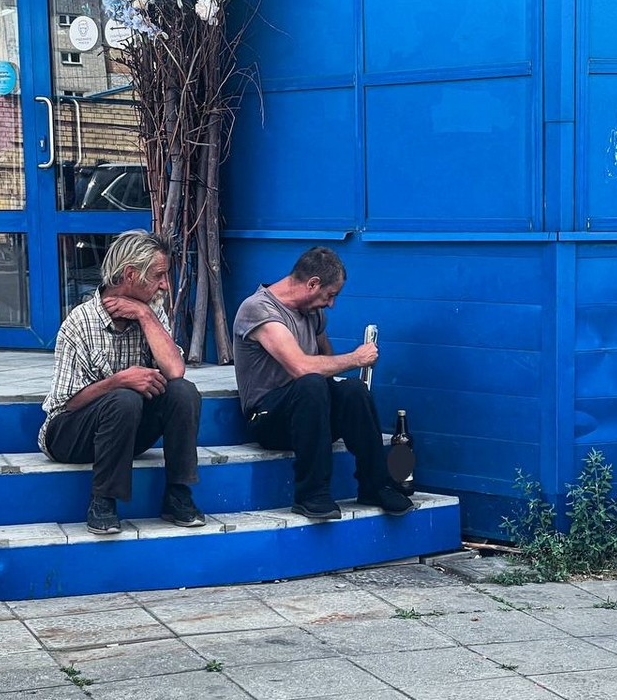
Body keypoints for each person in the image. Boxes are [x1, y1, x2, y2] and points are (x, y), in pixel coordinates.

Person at [39, 229, 205, 535]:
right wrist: (118, 381)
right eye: (159, 275)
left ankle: (178, 494)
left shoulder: (152, 312)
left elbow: (175, 371)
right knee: (125, 397)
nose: (165, 285)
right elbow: (66, 404)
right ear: (131, 274)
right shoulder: (81, 321)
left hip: (124, 430)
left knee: (184, 392)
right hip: (68, 434)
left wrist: (144, 314)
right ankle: (102, 501)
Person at [232, 246, 414, 520]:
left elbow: (328, 363)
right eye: (330, 295)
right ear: (312, 283)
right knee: (311, 383)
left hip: (310, 413)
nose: (331, 304)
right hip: (268, 418)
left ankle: (376, 485)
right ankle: (311, 494)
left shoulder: (313, 314)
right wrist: (354, 358)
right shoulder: (258, 309)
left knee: (353, 390)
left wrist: (351, 372)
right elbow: (301, 367)